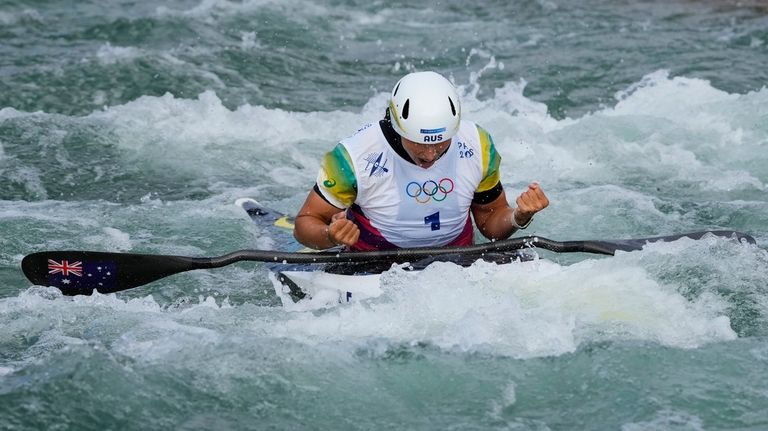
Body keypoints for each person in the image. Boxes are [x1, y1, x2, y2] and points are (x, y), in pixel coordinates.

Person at [294, 71, 549, 251]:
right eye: (420, 143)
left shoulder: (478, 144)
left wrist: (519, 216)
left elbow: (490, 225)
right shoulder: (353, 156)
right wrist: (330, 235)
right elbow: (305, 224)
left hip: (456, 262)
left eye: (441, 144)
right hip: (373, 263)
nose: (430, 155)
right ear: (397, 126)